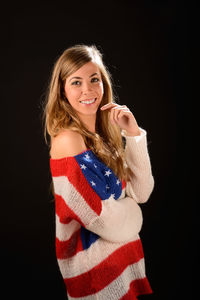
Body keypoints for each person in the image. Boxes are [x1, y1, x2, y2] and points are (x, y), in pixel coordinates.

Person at [42, 44, 154, 300]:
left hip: (125, 265)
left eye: (94, 79)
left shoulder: (104, 136)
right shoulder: (68, 140)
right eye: (76, 82)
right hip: (98, 278)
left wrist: (133, 135)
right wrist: (133, 213)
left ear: (104, 83)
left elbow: (142, 191)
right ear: (62, 91)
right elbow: (103, 220)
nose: (88, 90)